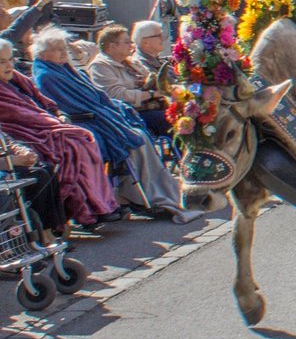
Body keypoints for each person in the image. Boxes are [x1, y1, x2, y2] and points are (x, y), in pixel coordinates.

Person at [31, 28, 196, 222]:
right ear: (42, 53)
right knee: (136, 135)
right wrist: (129, 102)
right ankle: (136, 194)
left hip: (104, 114)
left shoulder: (69, 69)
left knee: (140, 134)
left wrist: (114, 107)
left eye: (63, 48)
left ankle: (144, 191)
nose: (63, 53)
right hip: (84, 120)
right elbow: (76, 103)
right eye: (57, 49)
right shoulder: (48, 76)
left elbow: (97, 96)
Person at [0, 38, 122, 232]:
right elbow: (22, 116)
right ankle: (85, 212)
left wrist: (59, 115)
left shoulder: (17, 78)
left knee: (82, 139)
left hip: (44, 127)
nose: (8, 65)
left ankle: (100, 206)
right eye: (2, 62)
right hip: (28, 133)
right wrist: (56, 124)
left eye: (10, 59)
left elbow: (45, 102)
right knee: (73, 144)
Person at [87, 23, 169, 141]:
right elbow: (115, 95)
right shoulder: (100, 66)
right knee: (170, 119)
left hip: (150, 107)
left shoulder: (130, 62)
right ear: (112, 46)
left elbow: (151, 80)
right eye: (126, 42)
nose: (131, 45)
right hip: (128, 114)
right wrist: (151, 94)